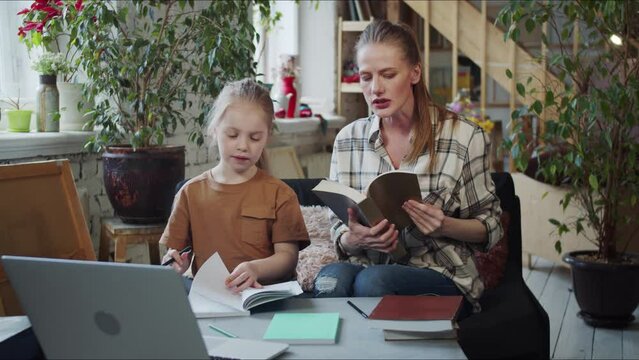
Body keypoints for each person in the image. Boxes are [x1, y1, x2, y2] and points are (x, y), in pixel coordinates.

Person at [313, 20, 503, 315]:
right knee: (329, 281)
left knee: (372, 285)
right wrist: (354, 238)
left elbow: (490, 227)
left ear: (415, 72)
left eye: (388, 75)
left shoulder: (465, 137)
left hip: (441, 272)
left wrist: (444, 225)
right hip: (368, 264)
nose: (376, 88)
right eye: (365, 77)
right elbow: (339, 229)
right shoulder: (347, 140)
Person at [160, 78, 310, 293]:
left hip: (264, 299)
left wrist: (255, 268)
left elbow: (288, 257)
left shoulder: (281, 194)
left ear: (267, 136)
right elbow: (174, 253)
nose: (243, 146)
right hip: (211, 299)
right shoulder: (190, 193)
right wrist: (176, 264)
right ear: (214, 130)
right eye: (232, 135)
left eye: (255, 138)